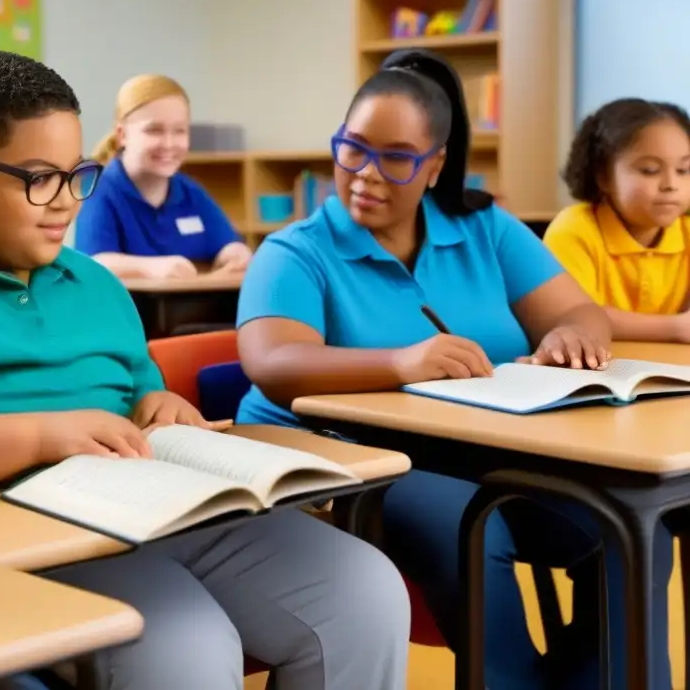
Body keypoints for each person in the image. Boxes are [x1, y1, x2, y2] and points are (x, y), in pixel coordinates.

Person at [0, 50, 410, 690]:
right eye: (41, 178)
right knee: (187, 643)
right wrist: (43, 435)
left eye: (78, 176)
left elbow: (141, 392)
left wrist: (161, 409)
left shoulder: (98, 285)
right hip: (14, 532)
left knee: (366, 587)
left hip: (153, 508)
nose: (67, 202)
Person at [233, 49, 667, 689]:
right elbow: (272, 362)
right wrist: (402, 362)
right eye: (352, 149)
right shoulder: (295, 251)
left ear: (435, 165)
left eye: (398, 158)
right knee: (470, 522)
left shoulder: (483, 226)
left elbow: (576, 308)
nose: (366, 174)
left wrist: (573, 336)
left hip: (475, 444)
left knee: (617, 519)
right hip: (344, 458)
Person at [75, 73, 253, 279]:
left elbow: (227, 243)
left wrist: (236, 254)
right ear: (122, 135)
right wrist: (150, 268)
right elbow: (92, 262)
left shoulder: (191, 192)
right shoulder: (100, 190)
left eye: (179, 131)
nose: (169, 144)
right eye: (154, 130)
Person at [544, 98, 690, 342]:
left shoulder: (686, 231)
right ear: (603, 177)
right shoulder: (574, 230)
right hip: (599, 367)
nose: (671, 185)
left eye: (684, 170)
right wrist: (675, 328)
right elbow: (570, 316)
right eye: (650, 170)